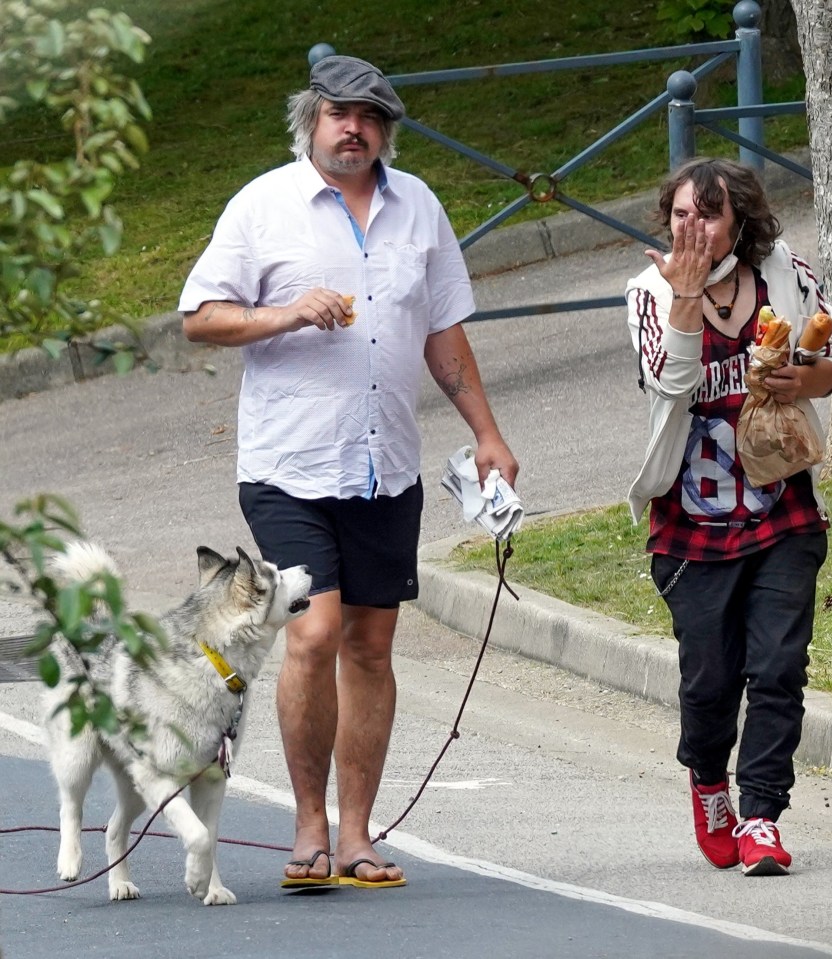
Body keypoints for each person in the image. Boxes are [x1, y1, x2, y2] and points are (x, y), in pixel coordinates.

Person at [178, 55, 518, 889]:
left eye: (370, 117)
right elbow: (200, 318)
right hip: (288, 465)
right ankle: (307, 831)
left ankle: (357, 834)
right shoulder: (263, 207)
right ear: (312, 120)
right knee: (317, 630)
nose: (354, 128)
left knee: (370, 645)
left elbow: (443, 333)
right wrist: (286, 310)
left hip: (385, 467)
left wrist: (486, 431)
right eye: (340, 114)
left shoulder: (420, 209)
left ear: (386, 131)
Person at [625, 158, 832, 876]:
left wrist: (802, 376)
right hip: (691, 523)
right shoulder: (648, 292)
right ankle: (708, 780)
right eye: (683, 213)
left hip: (783, 510)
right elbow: (670, 381)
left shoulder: (786, 273)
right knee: (711, 680)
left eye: (709, 214)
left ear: (740, 222)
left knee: (779, 667)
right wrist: (686, 303)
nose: (692, 227)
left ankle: (761, 815)